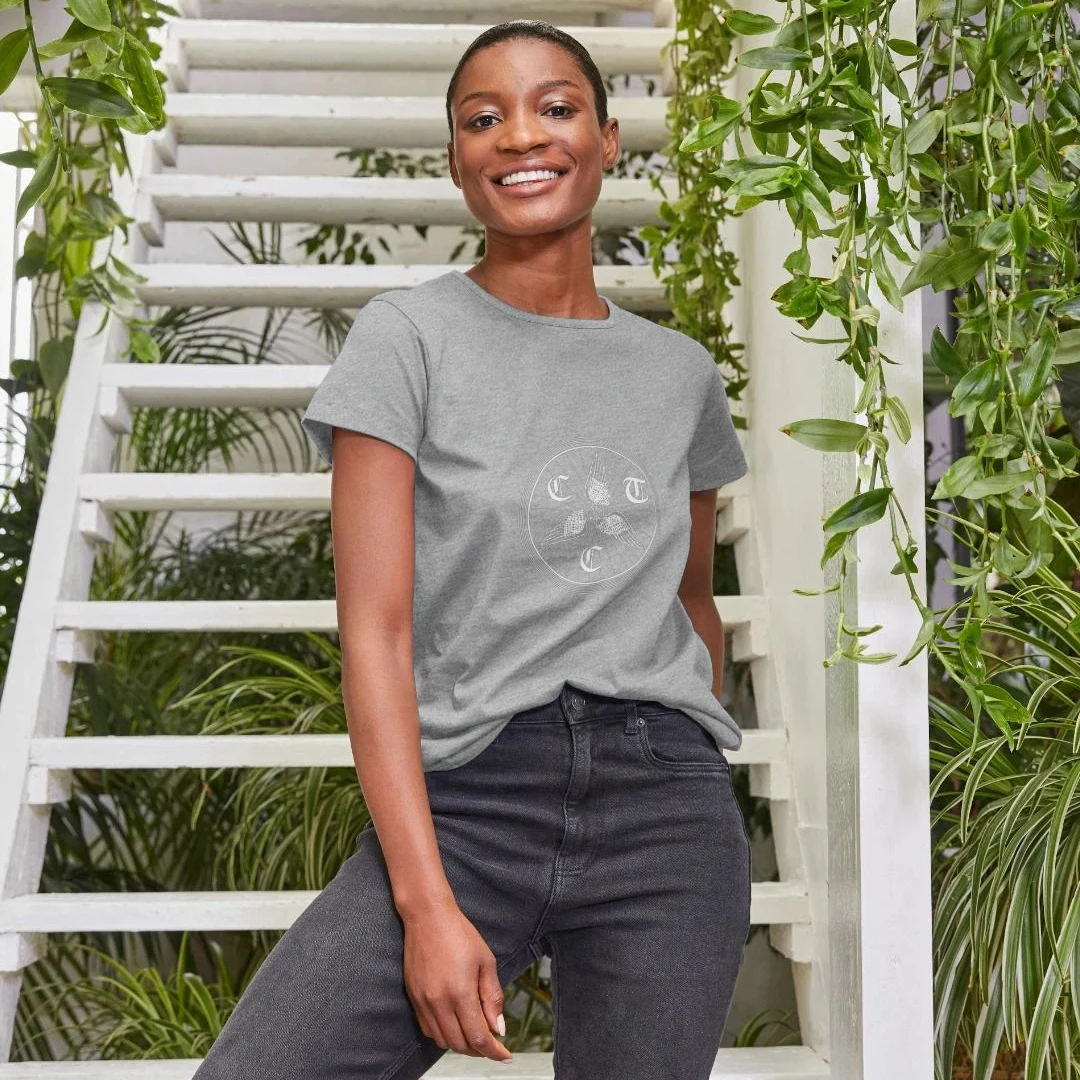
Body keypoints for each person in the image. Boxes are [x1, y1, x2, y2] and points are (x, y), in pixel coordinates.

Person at [193, 19, 751, 1080]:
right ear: (456, 159)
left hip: (663, 809)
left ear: (608, 139)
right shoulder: (407, 339)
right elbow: (376, 633)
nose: (520, 136)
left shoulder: (679, 375)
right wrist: (425, 904)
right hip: (471, 793)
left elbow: (692, 602)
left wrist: (683, 760)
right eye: (482, 118)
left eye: (556, 107)